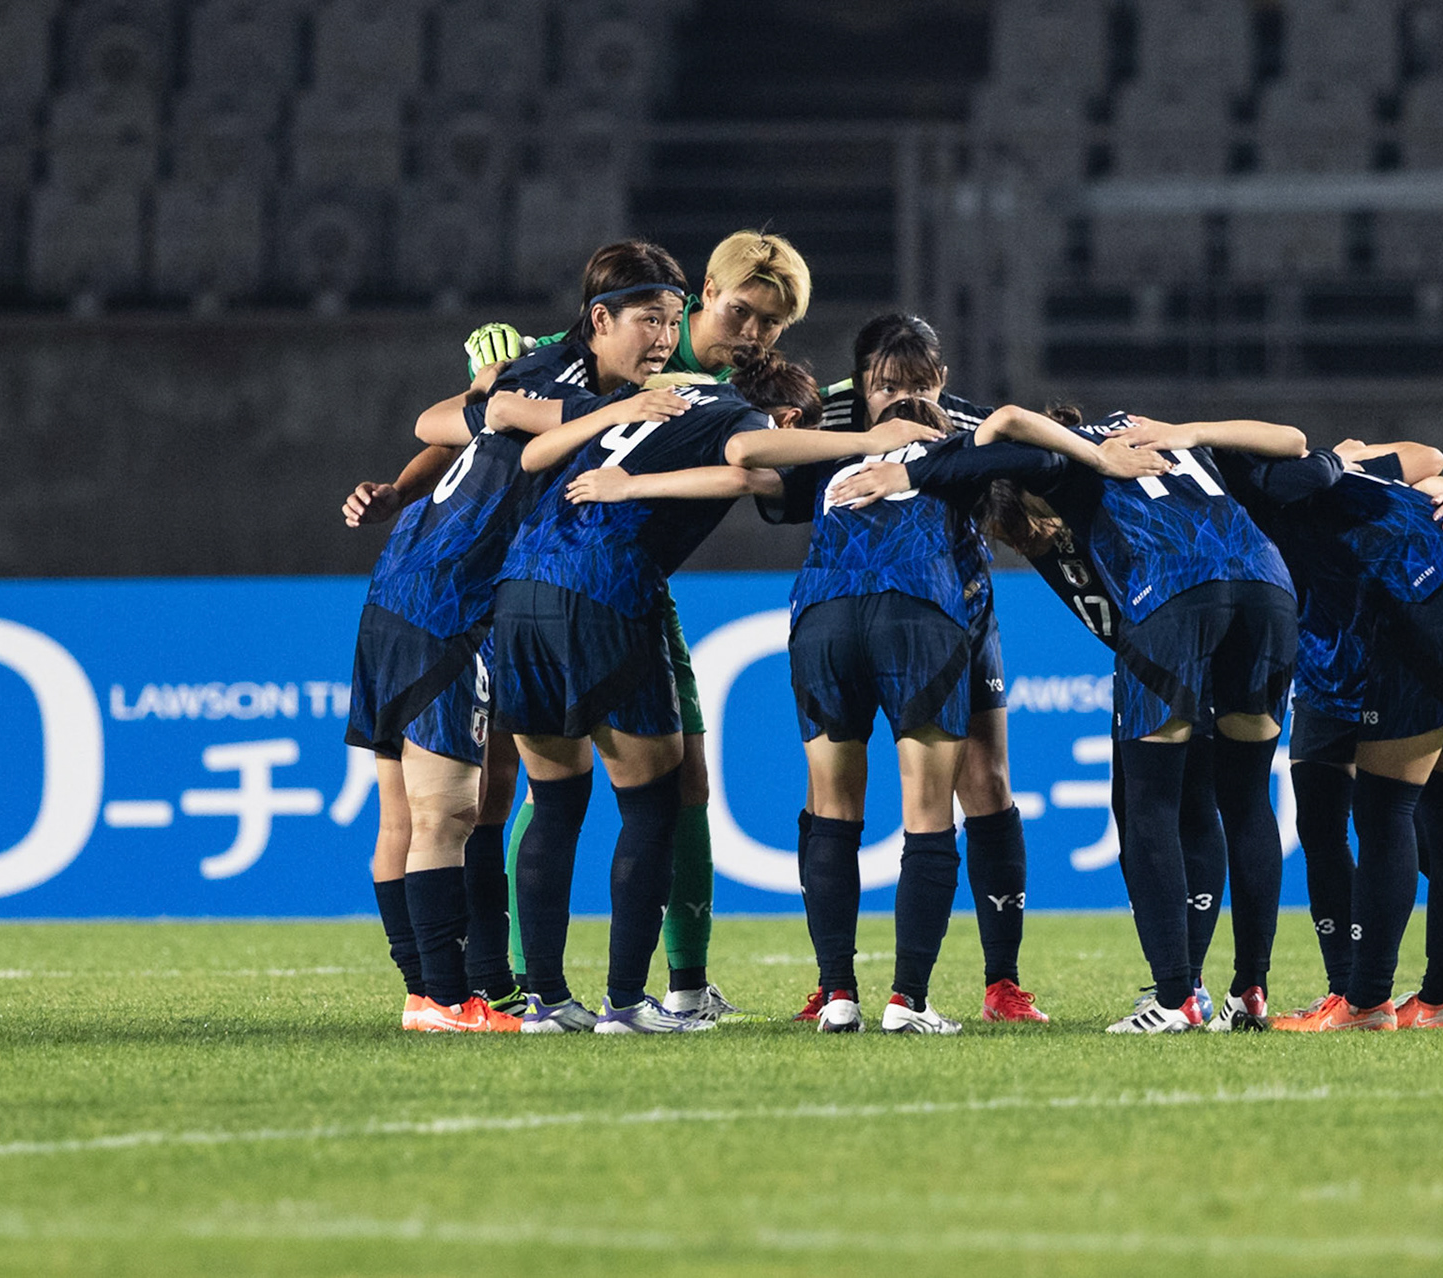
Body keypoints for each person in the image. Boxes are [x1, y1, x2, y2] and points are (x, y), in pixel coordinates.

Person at [487, 337, 941, 1034]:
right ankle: (627, 1004)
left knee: (552, 799)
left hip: (519, 588)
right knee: (654, 803)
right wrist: (867, 438)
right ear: (789, 419)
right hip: (605, 587)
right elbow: (743, 463)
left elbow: (524, 447)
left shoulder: (661, 395)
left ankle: (545, 1001)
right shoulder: (740, 416)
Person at [854, 404, 1305, 1032]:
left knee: (1146, 801)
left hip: (1173, 590)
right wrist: (1191, 431)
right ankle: (1250, 990)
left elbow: (1005, 422)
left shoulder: (1063, 459)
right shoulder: (1174, 440)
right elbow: (1292, 437)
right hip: (1267, 585)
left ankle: (1176, 1000)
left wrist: (911, 476)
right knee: (1248, 795)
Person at [465, 230, 813, 1021]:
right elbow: (471, 418)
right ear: (702, 297)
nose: (753, 334)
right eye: (743, 313)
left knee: (635, 785)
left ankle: (611, 991)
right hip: (589, 580)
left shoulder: (728, 383)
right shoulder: (608, 349)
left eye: (772, 326)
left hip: (553, 581)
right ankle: (613, 995)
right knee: (611, 794)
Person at [786, 314, 1047, 1026]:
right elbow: (772, 492)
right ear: (862, 380)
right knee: (894, 801)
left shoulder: (964, 421)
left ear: (942, 380)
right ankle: (866, 989)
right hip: (919, 611)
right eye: (885, 384)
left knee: (983, 781)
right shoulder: (830, 421)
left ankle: (1001, 982)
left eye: (918, 382)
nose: (901, 395)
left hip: (936, 606)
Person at [1221, 447, 1443, 1032]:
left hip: (1429, 603)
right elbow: (1427, 460)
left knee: (1387, 811)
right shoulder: (1337, 482)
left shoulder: (1286, 499)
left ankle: (1363, 1002)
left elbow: (1426, 459)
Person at [340, 348, 596, 1033]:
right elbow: (463, 422)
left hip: (395, 588)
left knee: (406, 816)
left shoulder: (531, 371)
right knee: (446, 815)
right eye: (651, 317)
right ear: (603, 319)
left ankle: (427, 992)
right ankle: (448, 1001)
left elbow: (443, 423)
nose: (661, 335)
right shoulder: (579, 391)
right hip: (449, 608)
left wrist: (399, 490)